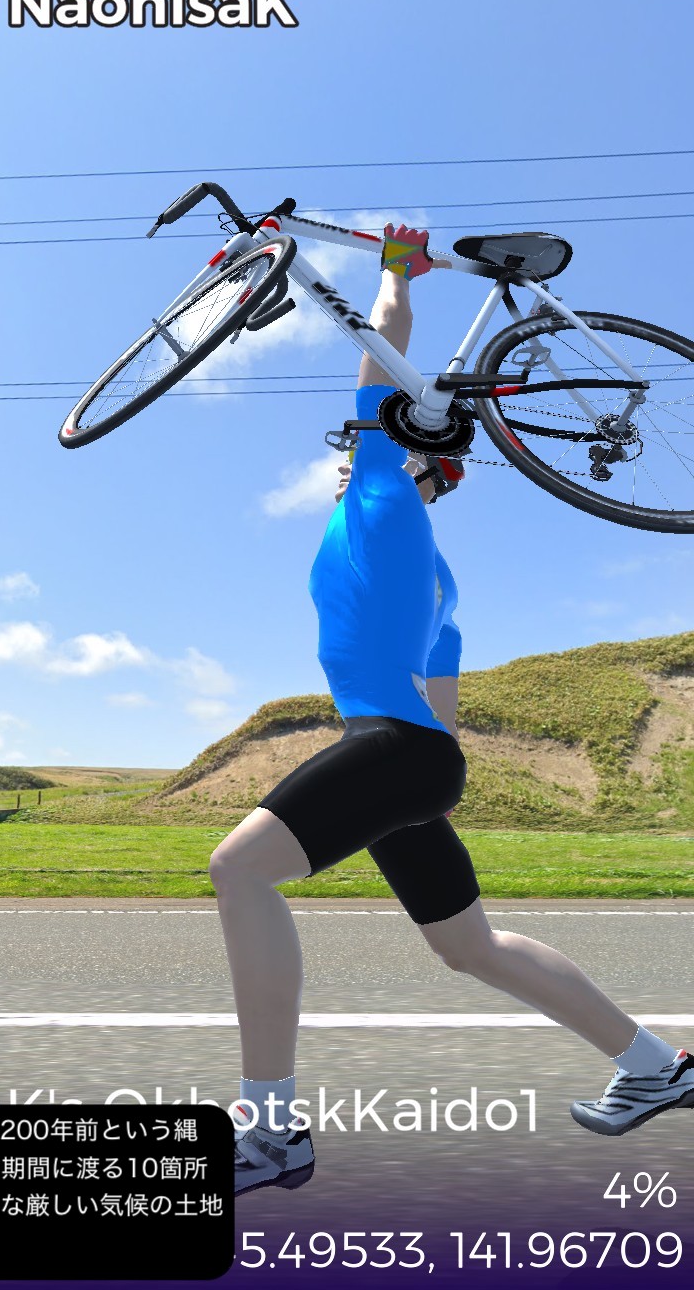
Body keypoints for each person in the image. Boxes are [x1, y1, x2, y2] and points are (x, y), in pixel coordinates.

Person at [211, 224, 693, 1198]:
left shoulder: (382, 494)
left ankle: (270, 1132)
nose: (345, 451)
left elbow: (381, 347)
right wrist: (404, 789)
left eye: (362, 441)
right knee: (468, 945)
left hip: (396, 749)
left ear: (408, 459)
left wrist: (396, 274)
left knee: (240, 870)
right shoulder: (442, 585)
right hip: (419, 756)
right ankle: (657, 1067)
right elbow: (443, 716)